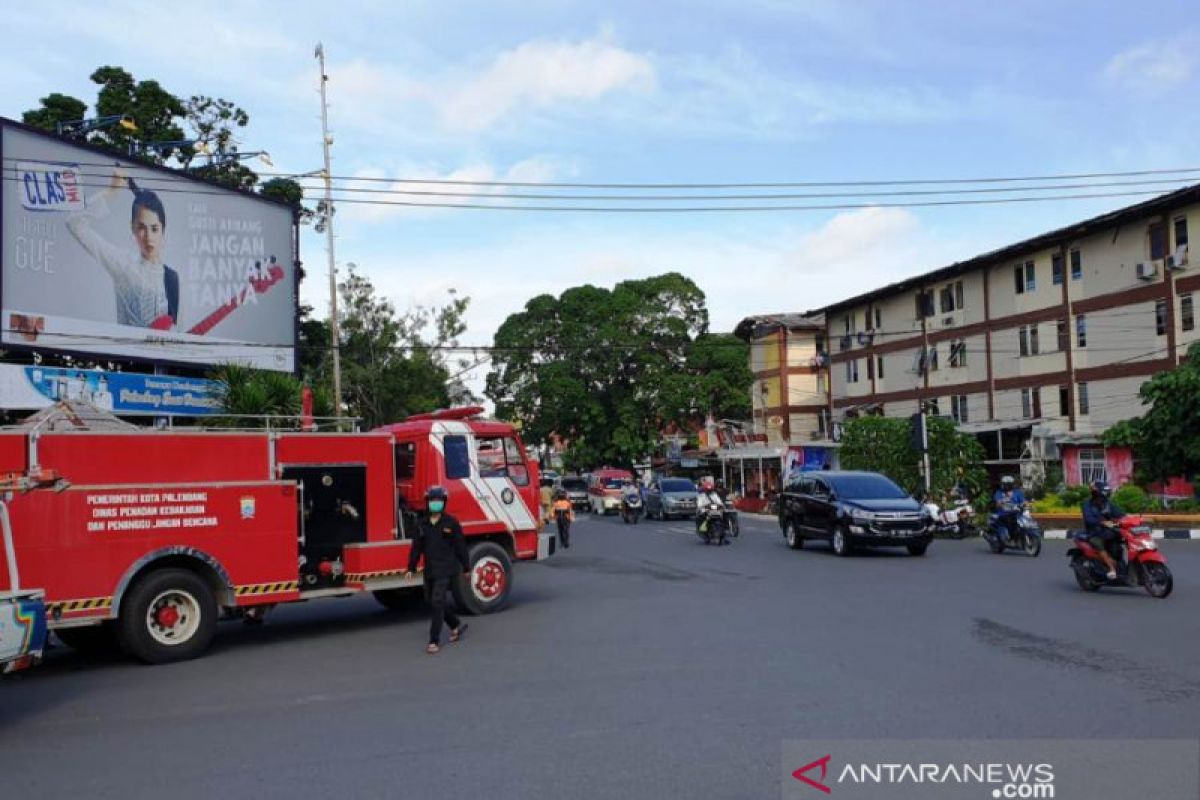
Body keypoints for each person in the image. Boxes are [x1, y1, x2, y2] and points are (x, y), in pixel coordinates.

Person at [65, 168, 179, 330]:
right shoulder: (124, 264)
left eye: (154, 228)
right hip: (127, 353)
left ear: (163, 231)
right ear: (132, 229)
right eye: (141, 228)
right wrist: (112, 192)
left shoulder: (172, 278)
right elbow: (74, 223)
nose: (148, 236)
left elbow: (177, 333)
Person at [404, 486, 470, 654]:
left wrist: (467, 567)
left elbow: (460, 546)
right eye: (433, 500)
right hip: (430, 570)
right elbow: (416, 548)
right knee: (432, 602)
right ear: (428, 502)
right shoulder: (422, 524)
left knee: (437, 601)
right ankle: (455, 624)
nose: (436, 504)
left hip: (447, 569)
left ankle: (434, 640)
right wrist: (410, 567)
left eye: (439, 501)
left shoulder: (451, 523)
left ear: (444, 502)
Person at [1081, 480, 1123, 580]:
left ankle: (1121, 563)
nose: (1105, 496)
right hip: (1094, 532)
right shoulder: (1087, 505)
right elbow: (1089, 519)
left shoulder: (1108, 504)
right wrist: (1101, 522)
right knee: (1098, 543)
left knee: (1122, 541)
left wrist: (1131, 519)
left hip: (1109, 531)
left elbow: (1120, 514)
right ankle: (1112, 569)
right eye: (1103, 493)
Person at [991, 475, 1026, 542]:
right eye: (1006, 484)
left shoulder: (1017, 492)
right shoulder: (999, 493)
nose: (1007, 486)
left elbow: (1023, 501)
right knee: (1010, 522)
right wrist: (1003, 501)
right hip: (1003, 514)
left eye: (1009, 484)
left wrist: (1026, 504)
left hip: (1016, 513)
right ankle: (1008, 537)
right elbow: (998, 504)